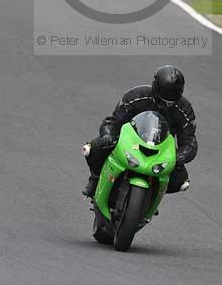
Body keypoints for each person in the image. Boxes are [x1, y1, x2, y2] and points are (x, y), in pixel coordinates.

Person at [83, 65, 197, 198]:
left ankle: (151, 195)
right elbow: (113, 121)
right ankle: (95, 179)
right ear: (155, 90)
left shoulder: (185, 110)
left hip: (161, 150)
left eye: (171, 102)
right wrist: (108, 134)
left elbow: (190, 141)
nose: (166, 105)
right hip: (129, 141)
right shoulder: (136, 96)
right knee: (93, 148)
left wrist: (182, 155)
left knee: (181, 182)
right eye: (162, 101)